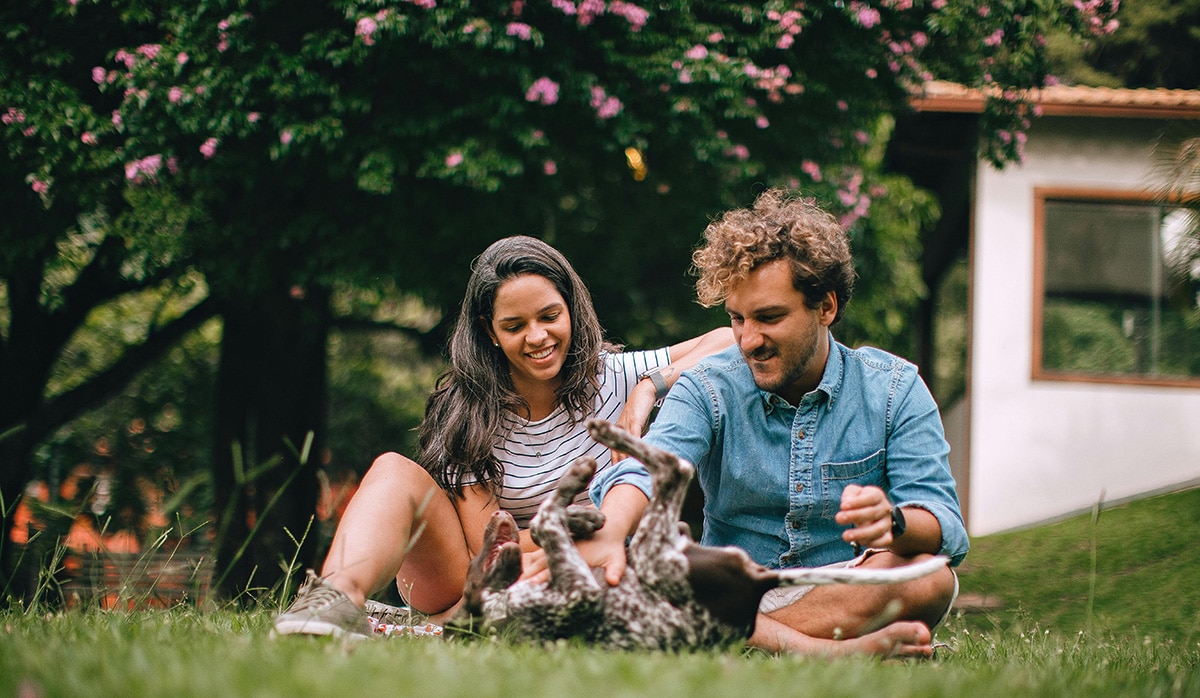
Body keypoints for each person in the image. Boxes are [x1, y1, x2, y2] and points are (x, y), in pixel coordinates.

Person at [273, 235, 733, 637]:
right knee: (392, 469)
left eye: (550, 316)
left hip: (588, 571)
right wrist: (587, 522)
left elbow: (730, 339)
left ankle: (467, 623)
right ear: (489, 333)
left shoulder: (613, 377)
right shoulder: (467, 411)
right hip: (476, 575)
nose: (537, 337)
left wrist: (652, 385)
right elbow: (490, 551)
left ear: (571, 309)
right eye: (514, 326)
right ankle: (333, 601)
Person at [588, 189, 969, 658]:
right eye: (737, 319)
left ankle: (726, 637)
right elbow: (651, 468)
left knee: (930, 576)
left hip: (846, 585)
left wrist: (891, 521)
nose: (749, 340)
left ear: (825, 307)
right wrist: (612, 530)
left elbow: (944, 523)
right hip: (731, 587)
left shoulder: (894, 389)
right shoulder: (708, 385)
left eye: (769, 318)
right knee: (628, 568)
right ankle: (822, 648)